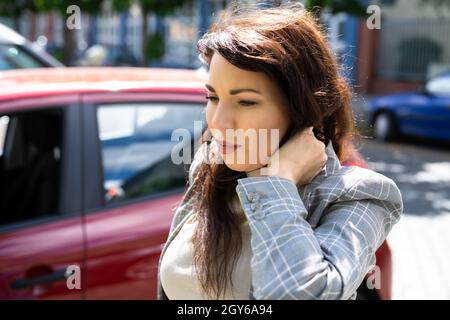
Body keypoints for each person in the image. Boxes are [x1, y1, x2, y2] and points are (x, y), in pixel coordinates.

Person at [157, 3, 403, 300]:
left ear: (302, 110)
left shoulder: (358, 196)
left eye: (246, 102)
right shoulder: (210, 165)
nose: (218, 122)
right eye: (212, 96)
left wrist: (277, 182)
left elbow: (298, 293)